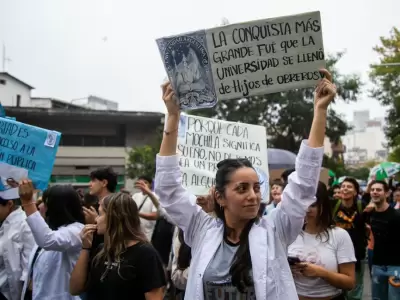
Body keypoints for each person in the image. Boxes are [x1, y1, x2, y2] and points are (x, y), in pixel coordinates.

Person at [156, 69, 335, 299]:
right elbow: (168, 189)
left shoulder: (275, 230)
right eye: (241, 189)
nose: (253, 195)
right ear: (220, 197)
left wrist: (320, 110)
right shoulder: (201, 230)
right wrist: (173, 116)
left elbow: (304, 183)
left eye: (257, 188)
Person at [69, 192, 166, 300]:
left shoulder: (145, 254)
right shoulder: (102, 249)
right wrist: (85, 248)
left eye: (100, 214)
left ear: (114, 217)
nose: (96, 219)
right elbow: (75, 289)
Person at [288, 182, 356, 299]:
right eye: (302, 204)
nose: (307, 209)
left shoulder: (339, 235)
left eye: (313, 205)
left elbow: (349, 282)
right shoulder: (290, 233)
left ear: (323, 205)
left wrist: (321, 273)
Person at [18, 181, 85, 300]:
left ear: (57, 207)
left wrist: (28, 203)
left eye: (45, 203)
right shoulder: (51, 229)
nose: (40, 206)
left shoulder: (76, 231)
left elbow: (47, 241)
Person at [365, 180, 400, 299]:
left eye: (378, 190)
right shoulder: (370, 214)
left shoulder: (396, 215)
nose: (375, 192)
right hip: (377, 265)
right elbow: (357, 225)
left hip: (395, 267)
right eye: (372, 190)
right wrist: (365, 212)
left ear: (386, 194)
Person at [0, 188, 35, 300]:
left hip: (12, 293)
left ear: (9, 204)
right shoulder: (4, 222)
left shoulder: (25, 224)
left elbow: (29, 266)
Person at [132, 176, 159, 241]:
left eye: (145, 183)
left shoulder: (155, 196)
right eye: (140, 183)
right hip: (135, 232)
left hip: (148, 234)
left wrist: (136, 213)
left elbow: (154, 216)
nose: (143, 185)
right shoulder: (135, 196)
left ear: (150, 184)